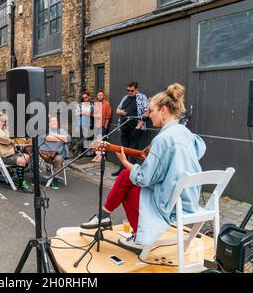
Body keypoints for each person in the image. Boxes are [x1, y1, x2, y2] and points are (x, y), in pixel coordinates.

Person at [80, 83, 206, 252]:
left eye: (151, 111)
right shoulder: (187, 134)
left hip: (171, 203)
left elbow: (145, 179)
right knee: (127, 177)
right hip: (189, 196)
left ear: (163, 110)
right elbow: (199, 150)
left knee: (127, 180)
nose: (148, 115)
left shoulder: (162, 139)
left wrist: (126, 162)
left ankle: (136, 235)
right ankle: (111, 219)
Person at [112, 81, 149, 177]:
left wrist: (138, 126)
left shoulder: (142, 97)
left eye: (131, 90)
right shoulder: (125, 97)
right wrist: (122, 113)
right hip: (125, 127)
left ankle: (131, 172)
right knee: (123, 149)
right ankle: (122, 170)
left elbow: (146, 112)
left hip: (135, 127)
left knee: (132, 150)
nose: (129, 92)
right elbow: (117, 110)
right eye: (127, 90)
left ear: (136, 89)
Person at [0, 113, 31, 193]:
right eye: (3, 121)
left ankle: (14, 176)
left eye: (5, 121)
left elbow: (10, 136)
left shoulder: (1, 128)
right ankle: (20, 185)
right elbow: (7, 140)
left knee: (26, 156)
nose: (4, 123)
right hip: (1, 156)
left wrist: (9, 134)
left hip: (8, 153)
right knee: (22, 161)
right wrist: (12, 140)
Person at [38, 116, 70, 190]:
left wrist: (54, 136)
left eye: (56, 121)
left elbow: (68, 138)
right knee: (34, 153)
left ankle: (55, 179)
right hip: (43, 154)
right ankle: (37, 177)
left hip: (56, 155)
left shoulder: (61, 131)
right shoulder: (44, 130)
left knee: (59, 159)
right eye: (52, 121)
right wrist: (60, 138)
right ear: (48, 124)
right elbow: (43, 138)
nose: (55, 122)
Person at [92, 90, 112, 163]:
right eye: (98, 95)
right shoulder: (96, 104)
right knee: (97, 141)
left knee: (102, 141)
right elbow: (93, 114)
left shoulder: (106, 104)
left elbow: (108, 116)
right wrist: (95, 115)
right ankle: (97, 155)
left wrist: (105, 126)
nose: (100, 96)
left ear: (103, 96)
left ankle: (102, 157)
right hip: (96, 125)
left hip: (102, 125)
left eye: (101, 95)